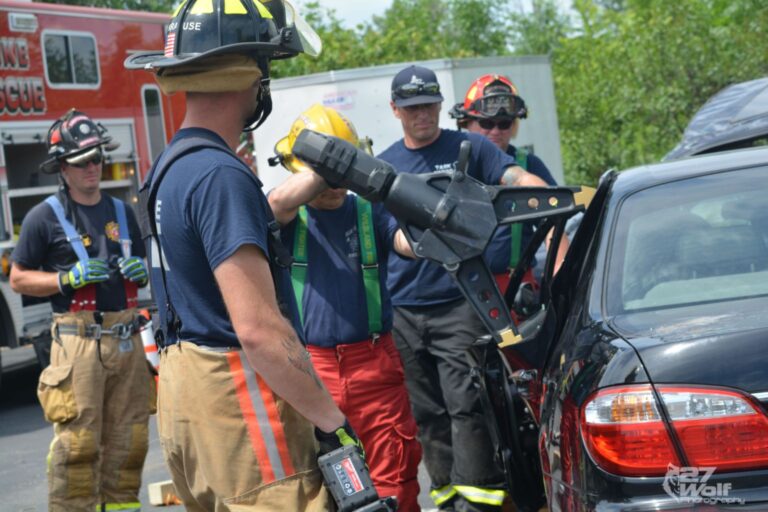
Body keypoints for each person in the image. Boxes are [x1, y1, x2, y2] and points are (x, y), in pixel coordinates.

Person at [124, 2, 363, 510]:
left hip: (186, 399)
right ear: (249, 73)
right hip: (241, 407)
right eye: (265, 65)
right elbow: (258, 330)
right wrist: (332, 421)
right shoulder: (221, 176)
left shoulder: (169, 168)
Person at [378, 65, 554, 512]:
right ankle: (446, 496)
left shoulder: (471, 148)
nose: (422, 114)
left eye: (429, 104)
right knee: (427, 411)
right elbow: (382, 231)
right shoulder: (387, 164)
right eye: (412, 107)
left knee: (466, 402)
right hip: (404, 308)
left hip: (460, 300)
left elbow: (513, 177)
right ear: (395, 110)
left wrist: (541, 194)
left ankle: (477, 499)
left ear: (441, 104)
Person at [268, 104, 423, 511]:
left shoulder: (369, 213)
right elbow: (276, 204)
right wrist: (332, 167)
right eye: (325, 178)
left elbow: (407, 243)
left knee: (396, 477)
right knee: (317, 488)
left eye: (344, 177)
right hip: (311, 370)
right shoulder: (289, 218)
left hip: (375, 367)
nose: (335, 187)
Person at [10, 109, 153, 512]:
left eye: (97, 158)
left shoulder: (123, 212)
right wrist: (64, 279)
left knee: (130, 442)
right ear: (62, 168)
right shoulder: (43, 217)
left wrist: (141, 272)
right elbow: (18, 278)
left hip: (126, 339)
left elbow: (142, 269)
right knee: (79, 445)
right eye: (82, 161)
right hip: (78, 344)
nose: (93, 167)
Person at [450, 74, 568, 302]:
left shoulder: (528, 166)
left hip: (514, 287)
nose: (496, 131)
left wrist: (559, 276)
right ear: (466, 123)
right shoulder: (452, 167)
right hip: (459, 291)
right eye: (486, 123)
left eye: (504, 123)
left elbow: (554, 219)